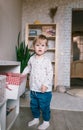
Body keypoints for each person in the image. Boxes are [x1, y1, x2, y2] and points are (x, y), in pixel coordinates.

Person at [22, 34, 53, 130]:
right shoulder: (31, 59)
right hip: (33, 89)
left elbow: (50, 73)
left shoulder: (47, 60)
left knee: (44, 107)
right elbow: (28, 67)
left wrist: (45, 85)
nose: (40, 47)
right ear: (33, 47)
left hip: (44, 91)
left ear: (46, 48)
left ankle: (46, 121)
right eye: (38, 45)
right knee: (34, 105)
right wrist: (22, 74)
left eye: (43, 45)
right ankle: (36, 118)